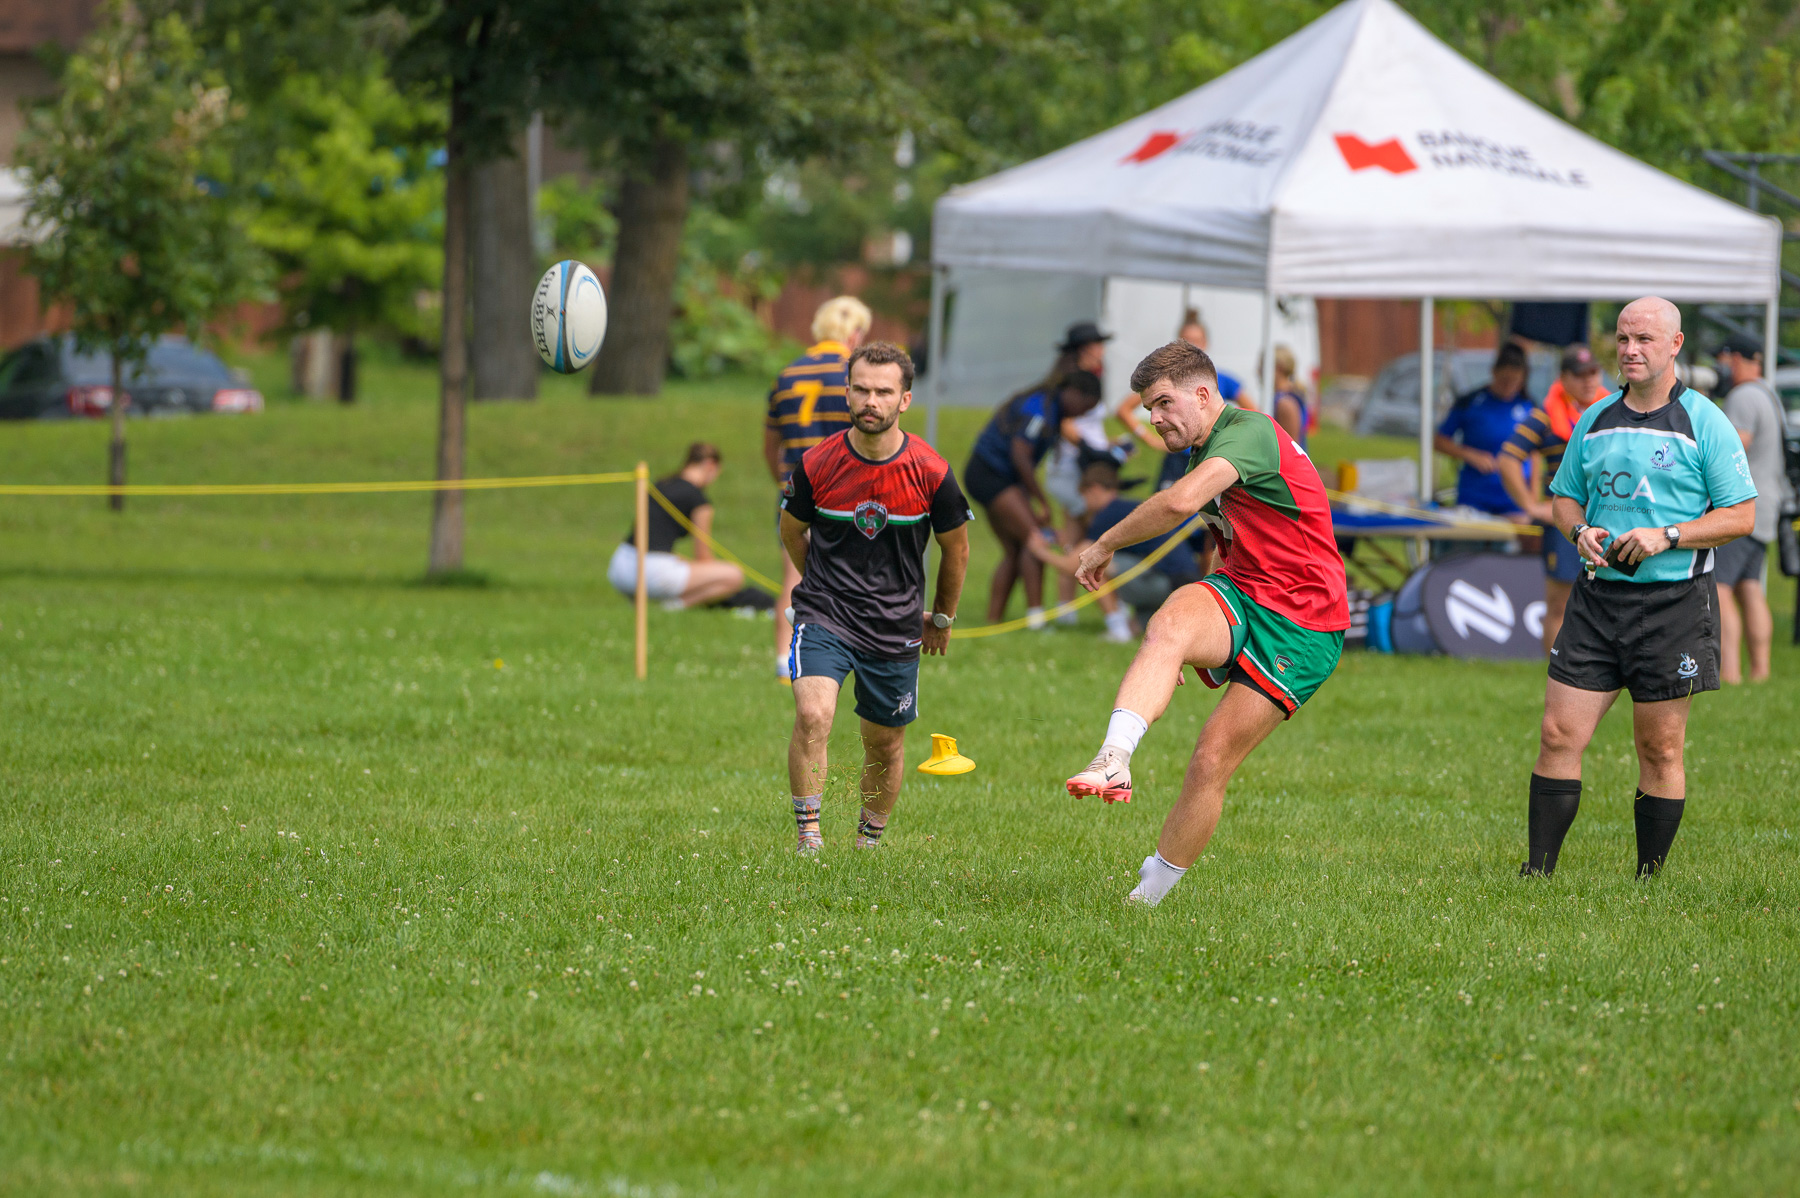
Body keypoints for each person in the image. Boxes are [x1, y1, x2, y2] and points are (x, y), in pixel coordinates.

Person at [1062, 340, 1349, 907]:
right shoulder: (1206, 448)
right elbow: (1232, 538)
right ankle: (1113, 760)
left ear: (1203, 393)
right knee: (1168, 624)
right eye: (1148, 408)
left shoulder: (1247, 431)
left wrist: (1104, 544)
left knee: (1210, 759)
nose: (1155, 418)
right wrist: (1185, 646)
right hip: (1246, 590)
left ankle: (1149, 895)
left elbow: (1177, 504)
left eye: (1164, 403)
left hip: (1304, 622)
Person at [1521, 298, 1756, 880]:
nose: (1630, 350)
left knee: (1660, 750)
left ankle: (1648, 880)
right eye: (1624, 339)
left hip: (1674, 604)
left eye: (1645, 340)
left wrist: (1668, 536)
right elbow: (1563, 497)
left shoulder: (1705, 420)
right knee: (1557, 733)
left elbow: (1742, 515)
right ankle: (1537, 873)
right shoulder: (1595, 417)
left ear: (1674, 346)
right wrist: (1580, 529)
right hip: (1597, 598)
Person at [780, 342, 971, 853]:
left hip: (895, 624)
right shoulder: (817, 465)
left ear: (904, 399)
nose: (871, 400)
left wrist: (942, 618)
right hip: (826, 612)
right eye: (861, 389)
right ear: (846, 391)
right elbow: (792, 531)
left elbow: (957, 551)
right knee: (813, 713)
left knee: (883, 742)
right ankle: (809, 838)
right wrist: (816, 584)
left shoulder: (932, 472)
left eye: (883, 392)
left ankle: (869, 841)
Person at [764, 295, 872, 682]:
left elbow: (770, 444)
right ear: (855, 332)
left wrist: (783, 478)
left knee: (793, 577)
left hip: (794, 488)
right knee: (854, 575)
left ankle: (782, 657)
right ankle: (853, 652)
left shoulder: (787, 374)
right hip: (843, 492)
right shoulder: (855, 376)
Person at [963, 369, 1102, 627]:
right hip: (990, 474)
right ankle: (1036, 619)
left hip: (996, 476)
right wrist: (1041, 500)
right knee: (1035, 538)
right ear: (1075, 393)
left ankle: (993, 623)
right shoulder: (1041, 408)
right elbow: (1020, 455)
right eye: (1085, 406)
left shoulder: (1051, 406)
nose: (1082, 413)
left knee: (1015, 550)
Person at [1498, 344, 1606, 652]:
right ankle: (1558, 673)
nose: (1588, 380)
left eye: (1593, 373)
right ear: (1563, 378)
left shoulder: (1613, 409)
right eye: (1579, 374)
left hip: (1608, 517)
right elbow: (1508, 459)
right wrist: (1531, 506)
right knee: (1560, 603)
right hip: (1565, 523)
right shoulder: (1545, 415)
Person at [1028, 461, 1204, 643]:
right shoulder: (1125, 507)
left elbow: (1077, 564)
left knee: (1096, 567)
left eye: (1084, 496)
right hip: (1183, 584)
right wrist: (1066, 547)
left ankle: (1117, 630)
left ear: (1095, 489)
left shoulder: (1107, 514)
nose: (1085, 504)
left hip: (1166, 584)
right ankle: (1126, 628)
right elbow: (1078, 556)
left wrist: (1040, 552)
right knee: (1144, 630)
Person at [1713, 333, 1789, 684]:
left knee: (1721, 588)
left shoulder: (1743, 396)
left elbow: (1734, 447)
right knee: (1749, 588)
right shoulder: (1769, 393)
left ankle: (1730, 674)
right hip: (1768, 506)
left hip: (1743, 505)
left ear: (1737, 359)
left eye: (1725, 360)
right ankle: (1761, 671)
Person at [607, 443, 746, 608]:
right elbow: (703, 556)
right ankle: (675, 606)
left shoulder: (662, 484)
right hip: (652, 575)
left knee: (679, 562)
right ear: (710, 465)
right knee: (734, 575)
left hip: (619, 568)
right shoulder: (698, 500)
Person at [1434, 342, 1537, 522]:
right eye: (1504, 380)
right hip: (1475, 496)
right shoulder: (1471, 402)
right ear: (1494, 372)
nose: (1508, 387)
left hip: (1514, 500)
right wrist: (1470, 455)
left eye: (1514, 382)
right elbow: (1439, 441)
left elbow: (1536, 454)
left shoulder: (1529, 407)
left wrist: (1533, 498)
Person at [1152, 311, 1250, 491]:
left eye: (1196, 340)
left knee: (1204, 515)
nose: (1192, 346)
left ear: (1205, 343)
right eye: (1186, 340)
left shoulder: (1221, 379)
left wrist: (1229, 440)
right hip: (1177, 459)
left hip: (1209, 457)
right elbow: (1126, 408)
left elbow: (1253, 413)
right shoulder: (1165, 380)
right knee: (1165, 511)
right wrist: (1151, 439)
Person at [1266, 344, 1309, 449]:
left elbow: (1292, 448)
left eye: (1262, 366)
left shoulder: (1285, 403)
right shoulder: (1282, 397)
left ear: (1278, 368)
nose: (1258, 371)